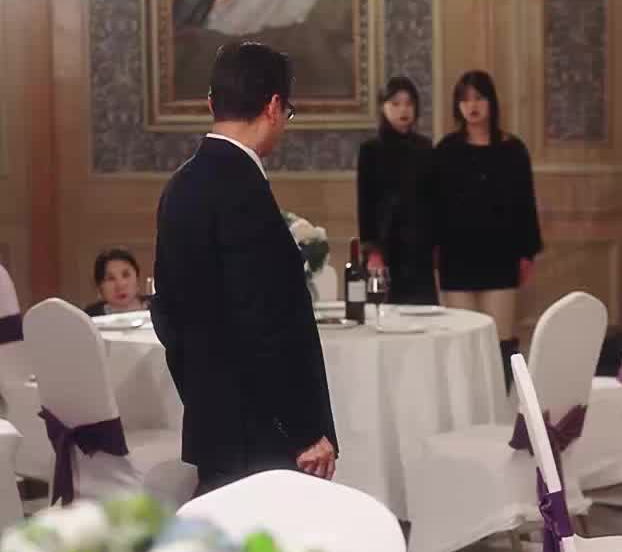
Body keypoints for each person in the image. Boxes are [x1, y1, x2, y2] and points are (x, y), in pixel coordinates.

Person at [151, 40, 337, 496]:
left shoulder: (180, 185)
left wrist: (203, 395)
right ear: (273, 106)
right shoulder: (244, 191)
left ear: (211, 102)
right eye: (287, 112)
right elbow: (268, 327)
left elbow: (166, 314)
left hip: (213, 426)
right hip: (263, 438)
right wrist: (304, 429)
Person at [432, 71, 542, 382]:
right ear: (457, 106)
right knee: (462, 341)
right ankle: (467, 403)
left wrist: (527, 253)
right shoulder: (446, 150)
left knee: (500, 340)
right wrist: (433, 250)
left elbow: (526, 204)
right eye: (465, 100)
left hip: (501, 257)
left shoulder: (513, 149)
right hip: (457, 258)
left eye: (479, 98)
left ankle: (500, 402)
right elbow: (434, 206)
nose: (473, 106)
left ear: (491, 101)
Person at [356, 75, 437, 304]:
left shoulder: (425, 147)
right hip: (385, 246)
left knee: (424, 314)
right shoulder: (371, 150)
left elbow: (434, 199)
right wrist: (372, 251)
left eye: (409, 103)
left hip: (420, 248)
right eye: (395, 103)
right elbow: (365, 204)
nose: (403, 110)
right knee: (385, 312)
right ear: (383, 107)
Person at [84, 249, 146, 317]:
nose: (120, 285)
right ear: (100, 287)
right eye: (110, 278)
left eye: (126, 275)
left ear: (137, 278)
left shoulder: (155, 307)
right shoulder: (88, 317)